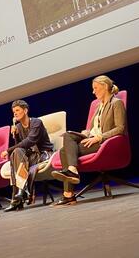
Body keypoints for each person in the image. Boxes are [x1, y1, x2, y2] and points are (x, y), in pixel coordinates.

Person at [51, 75, 126, 206]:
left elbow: (120, 128)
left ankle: (69, 194)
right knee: (68, 136)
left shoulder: (116, 103)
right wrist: (84, 134)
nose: (93, 92)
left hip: (104, 142)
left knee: (64, 151)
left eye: (95, 88)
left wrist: (100, 137)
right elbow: (91, 129)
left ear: (105, 87)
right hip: (91, 138)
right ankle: (72, 173)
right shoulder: (98, 107)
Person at [0, 100, 54, 211]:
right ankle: (21, 192)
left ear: (25, 110)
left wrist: (8, 150)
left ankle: (17, 198)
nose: (15, 113)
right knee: (16, 154)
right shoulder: (18, 127)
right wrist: (15, 135)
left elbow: (30, 141)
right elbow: (19, 149)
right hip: (29, 157)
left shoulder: (36, 122)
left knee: (15, 153)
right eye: (13, 111)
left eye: (17, 110)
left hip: (42, 154)